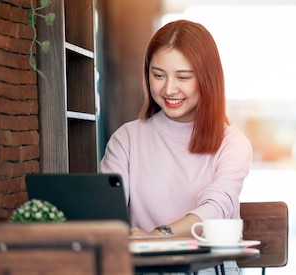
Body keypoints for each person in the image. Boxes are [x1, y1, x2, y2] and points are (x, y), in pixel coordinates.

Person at [100, 19, 252, 274]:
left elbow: (215, 209)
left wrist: (159, 236)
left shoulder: (232, 143)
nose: (169, 88)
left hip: (209, 269)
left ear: (207, 78)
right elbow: (106, 209)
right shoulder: (126, 139)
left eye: (183, 77)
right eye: (158, 75)